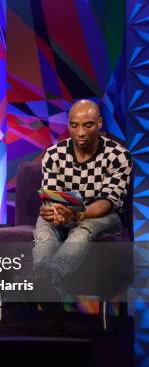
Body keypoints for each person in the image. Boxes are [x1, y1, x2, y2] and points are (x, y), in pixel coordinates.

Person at [32, 99, 132, 300]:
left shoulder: (118, 155)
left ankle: (50, 277)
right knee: (44, 225)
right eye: (74, 125)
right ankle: (42, 279)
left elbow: (107, 202)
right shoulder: (53, 154)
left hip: (103, 216)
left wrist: (77, 214)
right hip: (66, 211)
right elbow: (52, 195)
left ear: (100, 123)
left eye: (88, 125)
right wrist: (53, 211)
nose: (80, 133)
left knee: (85, 228)